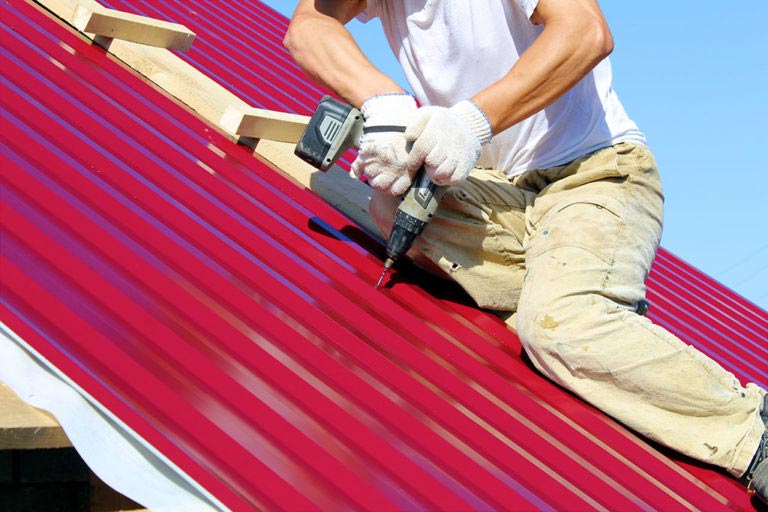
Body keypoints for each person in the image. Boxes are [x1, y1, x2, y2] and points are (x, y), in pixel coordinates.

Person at [284, 0, 767, 502]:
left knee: (560, 324)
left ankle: (753, 433)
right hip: (498, 187)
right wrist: (383, 103)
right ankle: (583, 302)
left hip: (593, 176)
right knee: (391, 199)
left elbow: (586, 31)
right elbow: (309, 26)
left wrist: (471, 123)